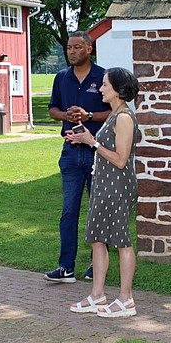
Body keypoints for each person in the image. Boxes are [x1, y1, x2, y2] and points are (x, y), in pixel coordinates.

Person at [65, 67, 140, 318]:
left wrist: (92, 143)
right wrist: (84, 137)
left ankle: (126, 299)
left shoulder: (124, 118)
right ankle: (97, 296)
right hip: (103, 184)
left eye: (105, 85)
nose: (100, 88)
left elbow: (121, 160)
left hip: (117, 186)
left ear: (118, 90)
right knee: (98, 238)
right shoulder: (113, 115)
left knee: (121, 240)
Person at [44, 31, 111, 283]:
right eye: (69, 48)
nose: (72, 51)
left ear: (89, 49)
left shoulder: (104, 77)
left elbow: (114, 112)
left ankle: (98, 265)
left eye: (77, 47)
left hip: (98, 152)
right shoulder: (61, 77)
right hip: (71, 153)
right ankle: (65, 267)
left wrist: (89, 116)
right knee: (69, 211)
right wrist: (67, 117)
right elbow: (52, 109)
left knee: (98, 210)